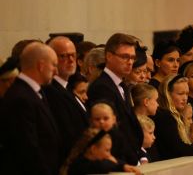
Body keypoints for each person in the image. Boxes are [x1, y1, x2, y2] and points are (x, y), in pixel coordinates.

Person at [0, 42, 60, 175]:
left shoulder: (34, 92)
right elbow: (27, 149)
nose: (56, 71)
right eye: (54, 65)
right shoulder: (21, 98)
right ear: (41, 65)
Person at [87, 33, 143, 165]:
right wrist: (131, 160)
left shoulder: (122, 85)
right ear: (109, 56)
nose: (130, 62)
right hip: (116, 160)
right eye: (125, 57)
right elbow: (111, 130)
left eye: (132, 58)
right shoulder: (102, 87)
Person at [44, 36, 89, 164]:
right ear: (51, 59)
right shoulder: (50, 91)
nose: (70, 60)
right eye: (63, 56)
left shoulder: (67, 88)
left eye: (73, 55)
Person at [152, 75, 193, 160]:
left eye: (187, 93)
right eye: (180, 94)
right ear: (167, 94)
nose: (185, 98)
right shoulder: (164, 116)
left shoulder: (173, 115)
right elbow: (179, 149)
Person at [60, 128, 141, 175]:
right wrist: (121, 166)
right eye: (107, 150)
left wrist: (123, 165)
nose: (109, 154)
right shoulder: (80, 164)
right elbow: (101, 166)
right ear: (93, 149)